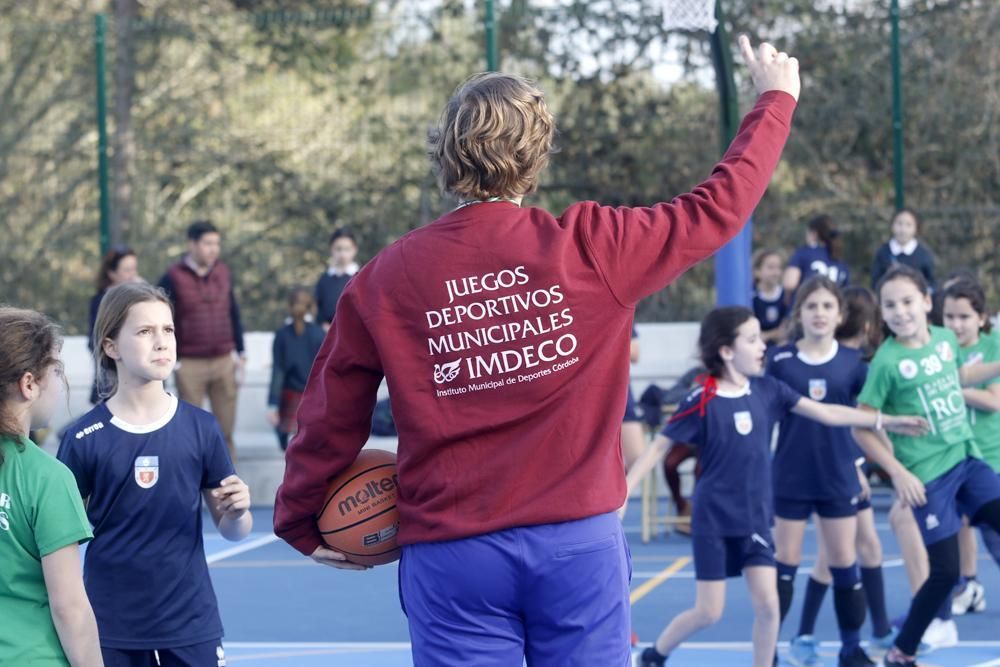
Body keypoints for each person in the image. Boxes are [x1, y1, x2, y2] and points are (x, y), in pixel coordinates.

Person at [274, 36, 801, 666]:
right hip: (576, 544)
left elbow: (331, 409)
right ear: (536, 153)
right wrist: (775, 100)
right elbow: (719, 206)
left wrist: (300, 515)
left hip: (452, 551)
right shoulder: (594, 246)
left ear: (446, 153)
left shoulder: (388, 276)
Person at [624, 307, 926, 667]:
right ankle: (655, 655)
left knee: (769, 607)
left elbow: (829, 413)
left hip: (755, 519)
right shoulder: (701, 399)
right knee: (709, 612)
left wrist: (887, 419)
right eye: (752, 340)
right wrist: (625, 491)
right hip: (714, 521)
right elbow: (658, 448)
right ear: (725, 351)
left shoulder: (769, 390)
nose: (762, 346)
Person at [57, 282, 252, 666]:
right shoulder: (83, 438)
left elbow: (231, 530)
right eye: (145, 331)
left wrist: (238, 513)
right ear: (111, 347)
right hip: (111, 628)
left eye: (168, 330)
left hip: (191, 624)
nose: (161, 341)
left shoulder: (201, 428)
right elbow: (59, 544)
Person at [848, 265, 1000, 667]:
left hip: (967, 461)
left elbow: (959, 374)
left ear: (927, 302)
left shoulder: (946, 339)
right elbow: (861, 428)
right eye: (890, 305)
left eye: (908, 301)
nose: (900, 311)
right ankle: (903, 652)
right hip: (927, 478)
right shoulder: (886, 363)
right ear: (883, 313)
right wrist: (898, 473)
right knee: (945, 574)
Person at [766, 277, 884, 667]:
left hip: (837, 475)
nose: (819, 313)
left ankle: (851, 649)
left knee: (844, 562)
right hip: (791, 476)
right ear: (799, 313)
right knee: (785, 565)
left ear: (840, 315)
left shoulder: (854, 365)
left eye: (827, 306)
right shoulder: (780, 361)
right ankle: (769, 650)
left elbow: (861, 425)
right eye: (812, 306)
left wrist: (860, 467)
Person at [0, 307, 103, 667]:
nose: (60, 382)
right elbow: (69, 608)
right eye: (56, 370)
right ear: (29, 384)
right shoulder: (48, 478)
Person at [157, 220, 247, 461]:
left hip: (223, 360)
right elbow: (162, 318)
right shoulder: (172, 277)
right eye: (207, 243)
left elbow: (233, 311)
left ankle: (228, 486)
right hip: (189, 363)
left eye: (216, 243)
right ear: (192, 244)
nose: (213, 249)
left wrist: (241, 351)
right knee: (191, 430)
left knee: (225, 429)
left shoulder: (223, 272)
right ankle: (193, 486)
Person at [941, 279, 1000, 614]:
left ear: (981, 317)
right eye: (949, 317)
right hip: (953, 455)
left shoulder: (994, 346)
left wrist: (947, 389)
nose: (956, 324)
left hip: (991, 456)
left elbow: (994, 401)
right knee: (957, 522)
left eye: (963, 316)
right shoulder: (938, 347)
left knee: (994, 536)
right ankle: (968, 585)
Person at [267, 287, 326, 451]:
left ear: (289, 306)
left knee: (285, 443)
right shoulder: (320, 334)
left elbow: (278, 371)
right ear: (310, 306)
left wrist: (272, 404)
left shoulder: (281, 335)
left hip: (289, 396)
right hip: (313, 397)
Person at [88, 246, 140, 403]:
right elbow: (94, 340)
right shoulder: (100, 302)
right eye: (127, 270)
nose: (133, 275)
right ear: (112, 274)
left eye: (134, 269)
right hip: (112, 373)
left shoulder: (142, 297)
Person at [782, 214, 849, 302]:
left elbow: (789, 283)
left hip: (805, 308)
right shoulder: (840, 262)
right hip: (831, 311)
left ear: (814, 234)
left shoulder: (803, 253)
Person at [870, 209, 935, 291]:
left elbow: (931, 283)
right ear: (892, 226)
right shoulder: (883, 252)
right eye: (899, 223)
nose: (903, 229)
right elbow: (875, 281)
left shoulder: (923, 254)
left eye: (908, 225)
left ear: (916, 228)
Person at [315, 227, 360, 331]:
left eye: (347, 249)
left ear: (354, 250)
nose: (342, 254)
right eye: (338, 249)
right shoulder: (324, 280)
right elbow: (318, 309)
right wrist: (324, 326)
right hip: (327, 334)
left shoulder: (361, 277)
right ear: (331, 249)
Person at [752, 247, 788, 347]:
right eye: (771, 267)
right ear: (757, 271)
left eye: (778, 268)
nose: (776, 272)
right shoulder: (750, 297)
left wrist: (766, 335)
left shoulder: (786, 296)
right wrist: (772, 334)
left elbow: (784, 333)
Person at [621, 325, 646, 470]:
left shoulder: (617, 308)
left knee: (637, 459)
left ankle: (613, 491)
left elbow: (635, 353)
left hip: (620, 392)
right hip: (584, 395)